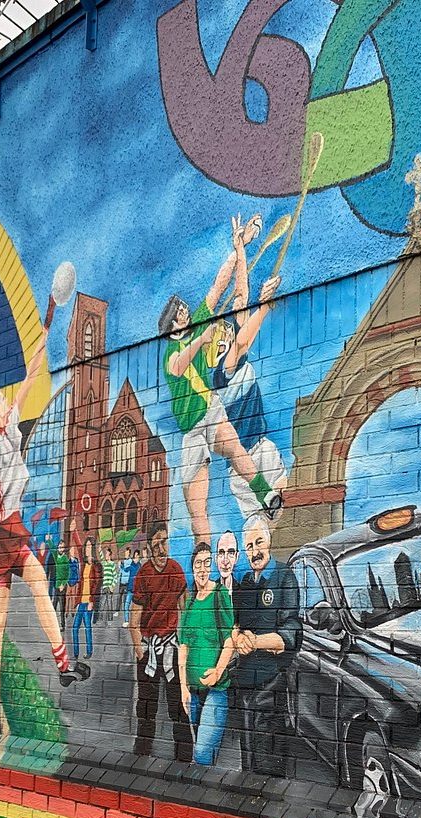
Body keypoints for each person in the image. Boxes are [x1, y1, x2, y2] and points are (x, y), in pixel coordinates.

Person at [0, 325, 89, 747]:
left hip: (11, 531)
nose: (12, 403)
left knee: (36, 591)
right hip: (5, 534)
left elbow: (28, 381)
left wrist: (41, 344)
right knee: (3, 620)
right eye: (5, 404)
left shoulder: (9, 432)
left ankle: (62, 666)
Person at [159, 214, 283, 545]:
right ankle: (202, 551)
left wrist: (239, 247)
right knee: (196, 502)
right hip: (191, 432)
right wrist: (200, 339)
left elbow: (221, 284)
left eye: (187, 313)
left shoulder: (205, 328)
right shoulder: (169, 352)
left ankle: (265, 495)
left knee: (235, 450)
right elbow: (179, 366)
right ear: (172, 325)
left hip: (211, 411)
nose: (187, 316)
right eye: (181, 316)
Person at [208, 263, 288, 519]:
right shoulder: (221, 371)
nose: (225, 337)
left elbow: (241, 298)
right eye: (218, 338)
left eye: (225, 333)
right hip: (244, 466)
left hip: (264, 447)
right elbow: (242, 341)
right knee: (260, 527)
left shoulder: (234, 358)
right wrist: (264, 306)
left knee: (286, 518)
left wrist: (241, 248)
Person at [232, 514, 301, 776]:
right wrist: (239, 638)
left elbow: (290, 634)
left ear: (269, 542)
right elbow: (236, 627)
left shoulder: (285, 577)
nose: (254, 551)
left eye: (258, 542)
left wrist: (255, 642)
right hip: (245, 689)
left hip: (270, 687)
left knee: (268, 765)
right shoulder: (247, 583)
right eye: (249, 546)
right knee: (248, 762)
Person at [129, 520, 189, 760]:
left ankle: (184, 756)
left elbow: (185, 609)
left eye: (165, 542)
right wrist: (140, 652)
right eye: (157, 544)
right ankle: (141, 753)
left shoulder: (176, 570)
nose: (162, 549)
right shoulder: (144, 573)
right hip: (149, 648)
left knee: (178, 706)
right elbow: (134, 620)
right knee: (146, 707)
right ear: (150, 547)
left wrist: (183, 646)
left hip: (172, 648)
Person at [178, 542, 235, 766]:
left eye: (206, 563)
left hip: (215, 689)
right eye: (197, 564)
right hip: (192, 691)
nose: (202, 569)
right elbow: (183, 647)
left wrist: (218, 671)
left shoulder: (220, 595)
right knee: (201, 753)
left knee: (202, 752)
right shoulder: (190, 601)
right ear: (192, 568)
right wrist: (183, 687)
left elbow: (229, 640)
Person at [72, 537, 102, 661]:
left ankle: (89, 651)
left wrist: (91, 601)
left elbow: (97, 585)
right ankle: (75, 653)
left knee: (88, 627)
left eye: (90, 546)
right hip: (81, 602)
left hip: (88, 602)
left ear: (93, 548)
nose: (87, 549)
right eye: (86, 546)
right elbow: (81, 584)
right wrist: (78, 602)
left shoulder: (97, 566)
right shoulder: (84, 565)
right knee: (75, 628)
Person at [215, 531, 238, 597]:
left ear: (236, 557)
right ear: (216, 558)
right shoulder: (211, 592)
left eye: (231, 553)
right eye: (221, 553)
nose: (225, 561)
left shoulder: (243, 593)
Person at [119, 547, 136, 626]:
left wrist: (121, 567)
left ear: (129, 553)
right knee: (124, 602)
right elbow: (122, 572)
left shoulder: (130, 562)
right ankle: (126, 620)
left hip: (128, 584)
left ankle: (128, 620)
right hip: (123, 583)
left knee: (128, 603)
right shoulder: (124, 561)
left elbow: (126, 571)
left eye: (126, 553)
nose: (125, 554)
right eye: (125, 553)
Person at [101, 547, 119, 618]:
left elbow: (115, 576)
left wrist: (112, 586)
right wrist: (100, 550)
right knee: (102, 602)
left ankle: (110, 618)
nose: (106, 556)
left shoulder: (112, 564)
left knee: (109, 602)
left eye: (107, 554)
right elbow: (101, 557)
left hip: (109, 586)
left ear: (110, 555)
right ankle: (101, 617)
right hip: (104, 586)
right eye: (106, 554)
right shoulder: (104, 563)